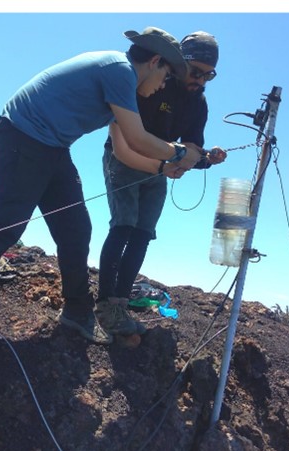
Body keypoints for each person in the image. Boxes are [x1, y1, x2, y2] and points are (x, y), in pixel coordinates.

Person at [0, 27, 204, 360]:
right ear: (155, 61)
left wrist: (162, 167)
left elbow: (127, 151)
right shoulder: (119, 70)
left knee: (76, 229)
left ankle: (77, 311)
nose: (165, 85)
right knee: (3, 227)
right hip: (22, 136)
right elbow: (138, 140)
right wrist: (179, 153)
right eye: (167, 75)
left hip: (53, 147)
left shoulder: (122, 85)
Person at [95, 31, 226, 336]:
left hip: (160, 169)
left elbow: (191, 150)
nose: (201, 81)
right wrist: (174, 158)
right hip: (125, 157)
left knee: (142, 234)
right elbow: (125, 136)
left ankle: (120, 305)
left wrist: (205, 158)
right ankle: (104, 305)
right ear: (181, 62)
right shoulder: (156, 80)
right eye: (196, 72)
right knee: (123, 226)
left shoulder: (199, 103)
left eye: (210, 76)